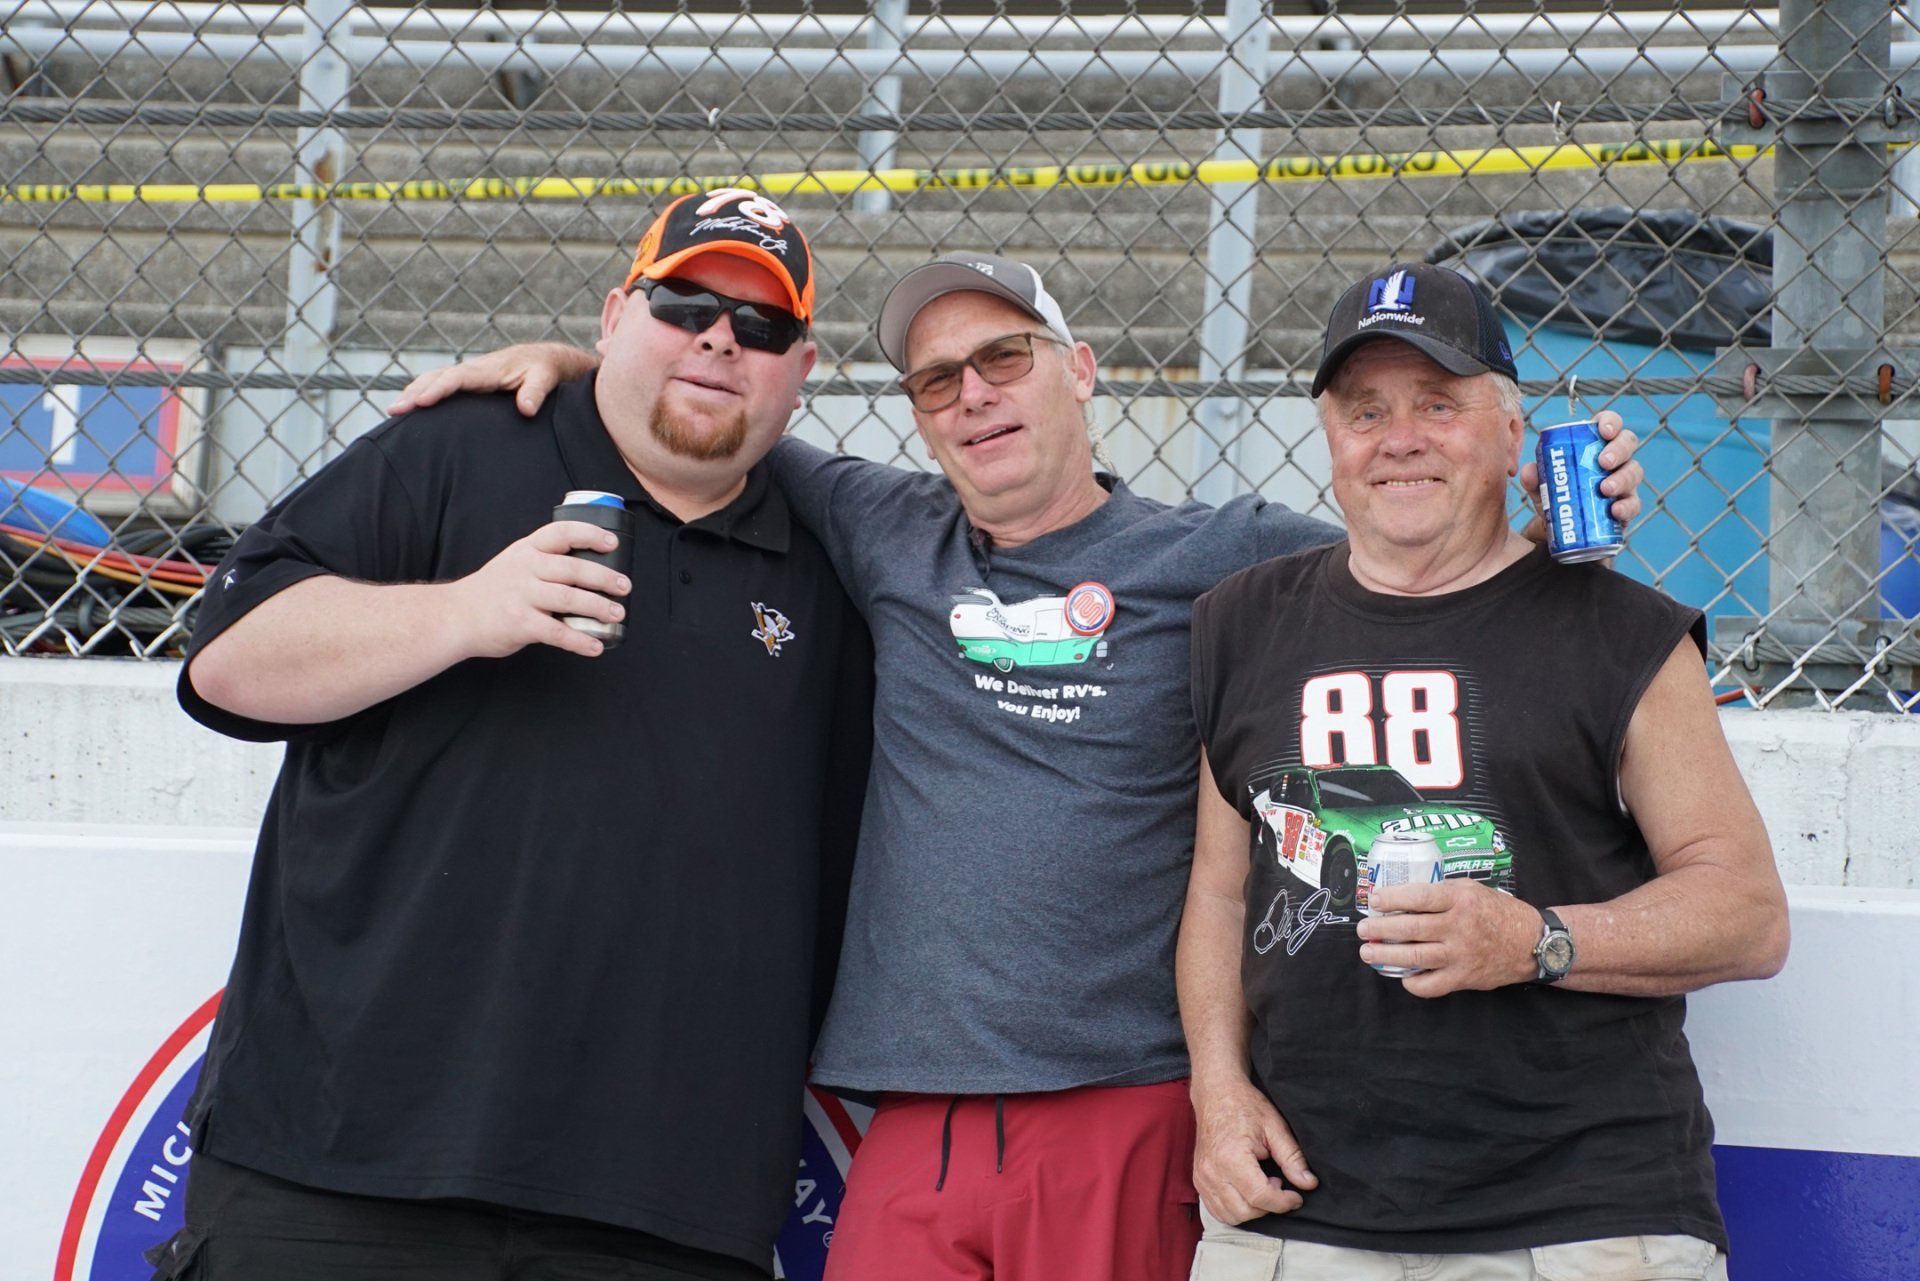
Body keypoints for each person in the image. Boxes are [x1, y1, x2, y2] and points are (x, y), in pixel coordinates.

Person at [389, 252, 1646, 1281]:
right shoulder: (882, 524)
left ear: (1079, 370)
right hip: (910, 1119)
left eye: (1005, 359)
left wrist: (1540, 520)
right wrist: (584, 361)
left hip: (1123, 1104)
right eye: (938, 381)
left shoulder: (1229, 555)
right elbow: (713, 416)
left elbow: (1419, 553)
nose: (974, 397)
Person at [156, 189, 873, 1281]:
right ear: (615, 316)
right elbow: (227, 663)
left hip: (662, 1207)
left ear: (803, 369)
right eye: (684, 306)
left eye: (762, 326)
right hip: (339, 1165)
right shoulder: (460, 447)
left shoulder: (840, 557)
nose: (721, 339)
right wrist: (461, 612)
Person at [1180, 262, 1788, 1281]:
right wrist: (1218, 1092)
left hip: (1581, 1221)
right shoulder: (1240, 623)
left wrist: (1534, 939)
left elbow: (1748, 914)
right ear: (1330, 438)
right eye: (1366, 409)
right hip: (1299, 1213)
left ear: (1513, 437)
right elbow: (1220, 890)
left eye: (1438, 403)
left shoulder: (1622, 632)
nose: (1400, 437)